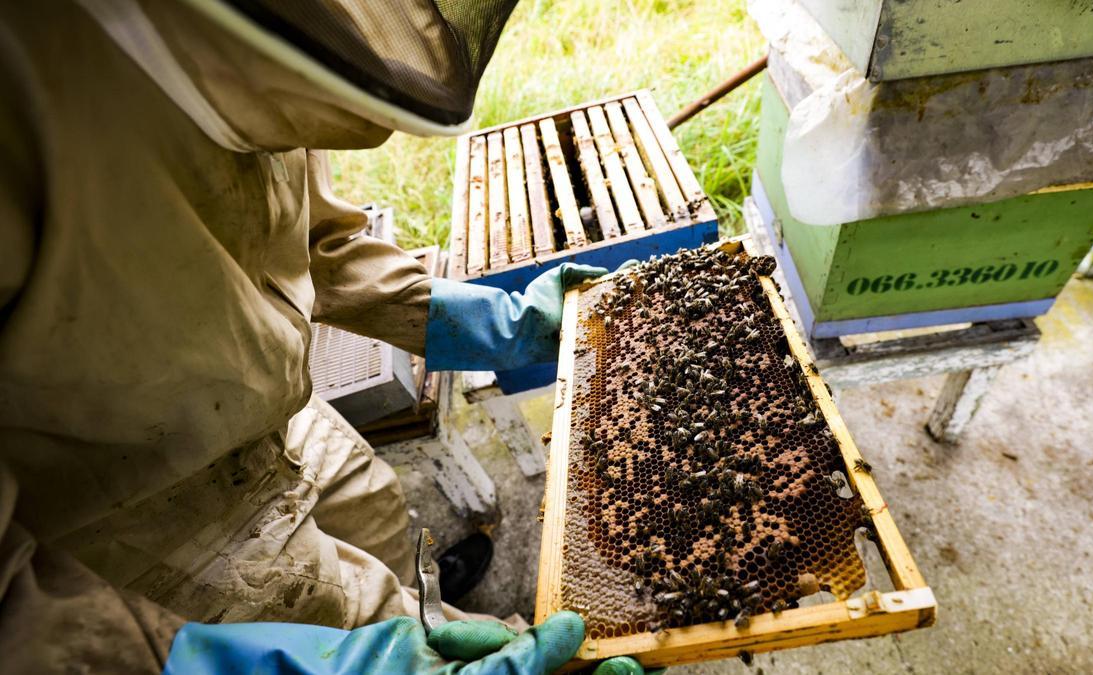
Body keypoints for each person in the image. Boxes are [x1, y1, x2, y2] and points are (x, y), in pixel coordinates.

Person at [0, 1, 653, 672]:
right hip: (135, 515)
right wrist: (201, 661)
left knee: (375, 507)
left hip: (274, 407)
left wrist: (496, 324)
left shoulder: (275, 37)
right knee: (355, 620)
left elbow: (324, 243)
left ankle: (423, 602)